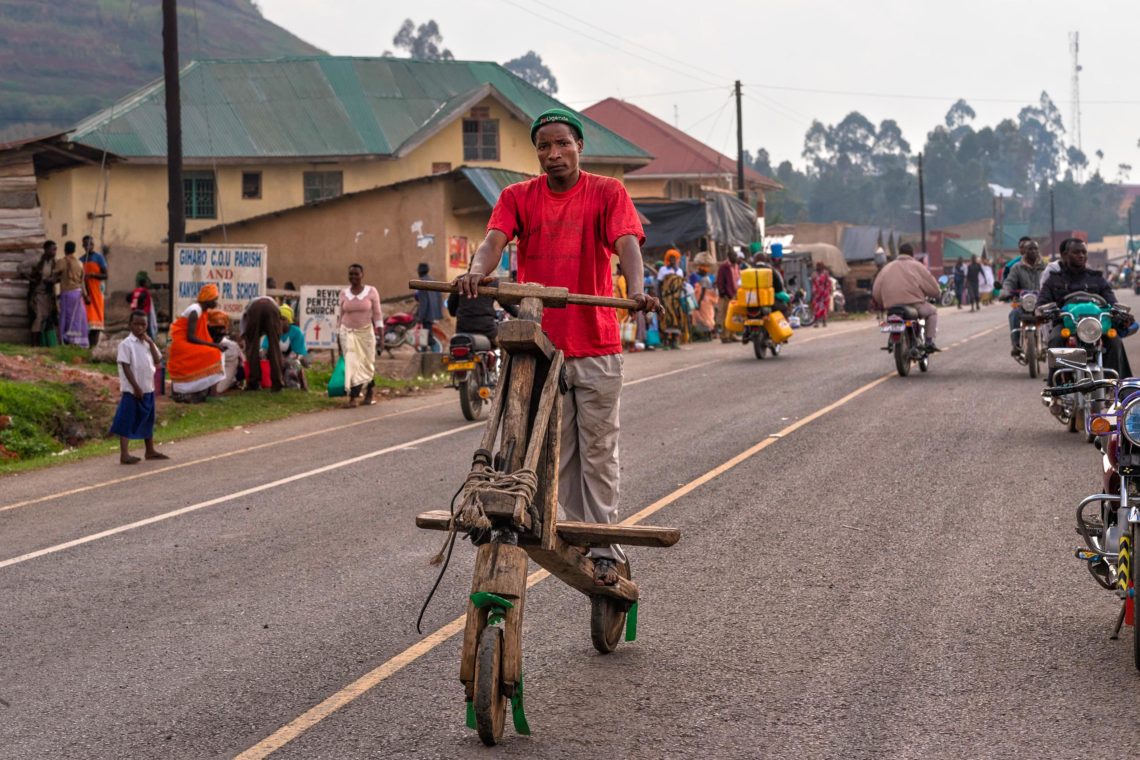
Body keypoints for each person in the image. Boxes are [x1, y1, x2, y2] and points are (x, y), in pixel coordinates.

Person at [456, 106, 660, 586]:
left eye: (562, 143)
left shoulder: (607, 192)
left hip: (596, 346)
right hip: (541, 349)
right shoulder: (518, 196)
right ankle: (581, 534)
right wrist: (475, 272)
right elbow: (493, 241)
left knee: (598, 450)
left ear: (579, 146)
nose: (553, 154)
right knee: (557, 455)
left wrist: (635, 290)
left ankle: (604, 545)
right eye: (544, 146)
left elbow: (628, 243)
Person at [1041, 238, 1131, 379]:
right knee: (1056, 339)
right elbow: (1041, 303)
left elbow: (1112, 302)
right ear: (1065, 255)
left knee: (1115, 341)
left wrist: (1121, 314)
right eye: (1076, 252)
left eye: (1084, 252)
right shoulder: (1054, 280)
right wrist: (1041, 311)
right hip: (1067, 323)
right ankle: (1056, 389)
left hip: (1096, 325)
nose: (1081, 255)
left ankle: (1115, 386)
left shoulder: (1097, 278)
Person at [110, 310, 168, 464]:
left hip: (148, 387)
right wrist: (135, 387)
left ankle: (150, 450)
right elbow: (126, 366)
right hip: (133, 390)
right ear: (130, 325)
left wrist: (150, 342)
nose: (140, 328)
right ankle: (124, 454)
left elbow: (157, 360)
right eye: (136, 324)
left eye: (143, 324)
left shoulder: (148, 343)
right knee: (127, 419)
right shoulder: (126, 344)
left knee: (148, 418)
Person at [871, 242, 942, 351]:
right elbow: (932, 286)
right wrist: (937, 293)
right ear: (912, 255)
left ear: (899, 253)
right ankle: (929, 342)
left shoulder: (886, 268)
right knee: (932, 312)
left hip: (892, 306)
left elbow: (876, 291)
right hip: (914, 305)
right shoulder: (918, 266)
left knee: (887, 322)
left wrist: (883, 302)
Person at [169, 284, 226, 402]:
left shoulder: (202, 311)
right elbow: (191, 337)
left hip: (186, 341)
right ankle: (210, 392)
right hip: (182, 343)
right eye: (214, 299)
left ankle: (206, 390)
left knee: (215, 352)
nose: (216, 302)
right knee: (214, 353)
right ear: (208, 300)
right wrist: (214, 345)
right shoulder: (195, 310)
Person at [338, 263, 383, 407]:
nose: (353, 277)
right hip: (347, 333)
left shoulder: (371, 291)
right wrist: (338, 338)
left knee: (366, 364)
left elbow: (377, 315)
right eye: (351, 274)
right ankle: (353, 397)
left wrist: (381, 337)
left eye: (356, 274)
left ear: (362, 275)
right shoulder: (344, 293)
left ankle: (369, 391)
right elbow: (340, 316)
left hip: (365, 333)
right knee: (352, 364)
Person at [999, 240, 1045, 357]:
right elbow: (1009, 282)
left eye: (1035, 249)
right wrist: (1005, 292)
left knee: (1053, 316)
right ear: (1024, 251)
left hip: (1041, 302)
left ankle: (1049, 343)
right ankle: (1016, 344)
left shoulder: (1045, 267)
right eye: (1030, 249)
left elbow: (1052, 281)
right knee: (1014, 314)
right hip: (1023, 303)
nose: (1033, 251)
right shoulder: (1017, 267)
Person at [241, 294, 284, 392]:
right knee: (274, 348)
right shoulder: (273, 303)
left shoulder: (247, 310)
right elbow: (279, 324)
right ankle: (277, 383)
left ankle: (254, 383)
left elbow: (244, 331)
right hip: (272, 308)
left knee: (252, 348)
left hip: (254, 308)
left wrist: (247, 340)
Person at [262, 304, 309, 389]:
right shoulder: (272, 331)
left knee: (292, 364)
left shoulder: (296, 332)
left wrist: (284, 360)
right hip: (275, 359)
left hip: (293, 359)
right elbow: (264, 349)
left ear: (289, 321)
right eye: (278, 318)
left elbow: (298, 353)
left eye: (283, 319)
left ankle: (293, 384)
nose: (280, 321)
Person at [54, 241, 89, 347]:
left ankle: (66, 340)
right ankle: (78, 340)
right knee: (77, 318)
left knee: (67, 317)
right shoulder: (80, 263)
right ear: (74, 250)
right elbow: (82, 281)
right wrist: (86, 295)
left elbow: (54, 275)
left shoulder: (61, 262)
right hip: (78, 294)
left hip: (67, 294)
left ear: (65, 249)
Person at [28, 240, 58, 345]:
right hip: (37, 294)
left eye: (55, 249)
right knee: (38, 317)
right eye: (52, 249)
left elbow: (58, 276)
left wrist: (53, 280)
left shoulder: (55, 262)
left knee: (47, 317)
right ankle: (34, 344)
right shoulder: (37, 261)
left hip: (48, 295)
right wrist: (31, 279)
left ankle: (44, 344)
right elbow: (20, 268)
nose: (55, 252)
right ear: (46, 250)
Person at [80, 235, 107, 348]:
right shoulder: (81, 260)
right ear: (83, 246)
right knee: (87, 319)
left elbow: (105, 275)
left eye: (90, 244)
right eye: (86, 244)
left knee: (97, 320)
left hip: (96, 291)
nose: (88, 246)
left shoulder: (99, 258)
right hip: (85, 292)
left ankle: (94, 347)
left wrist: (93, 275)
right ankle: (86, 345)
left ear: (93, 245)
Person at [207, 309, 243, 393]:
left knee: (217, 389)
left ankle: (234, 380)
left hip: (227, 366)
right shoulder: (205, 339)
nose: (219, 331)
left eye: (221, 328)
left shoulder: (231, 346)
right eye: (216, 328)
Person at [413, 262, 443, 353]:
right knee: (424, 336)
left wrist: (420, 317)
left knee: (427, 337)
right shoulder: (433, 281)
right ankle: (423, 354)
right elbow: (439, 299)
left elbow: (423, 302)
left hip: (426, 315)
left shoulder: (421, 283)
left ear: (419, 271)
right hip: (433, 314)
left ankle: (436, 353)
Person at [688, 252, 718, 339]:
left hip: (705, 301)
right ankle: (703, 335)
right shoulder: (694, 276)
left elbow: (709, 289)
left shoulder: (709, 277)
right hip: (700, 299)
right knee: (700, 317)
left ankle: (706, 334)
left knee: (706, 317)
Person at [715, 250, 741, 342]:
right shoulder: (724, 267)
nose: (735, 257)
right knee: (726, 316)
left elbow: (738, 279)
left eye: (736, 256)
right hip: (727, 295)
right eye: (734, 256)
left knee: (734, 315)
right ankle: (725, 336)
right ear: (729, 256)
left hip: (735, 293)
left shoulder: (737, 266)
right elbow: (720, 281)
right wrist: (723, 292)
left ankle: (732, 335)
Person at [128, 271, 158, 340]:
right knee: (146, 327)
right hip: (144, 312)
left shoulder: (136, 290)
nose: (148, 284)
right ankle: (149, 339)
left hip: (135, 311)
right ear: (144, 283)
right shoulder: (144, 291)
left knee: (136, 326)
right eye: (147, 282)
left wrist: (134, 304)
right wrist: (141, 306)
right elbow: (142, 298)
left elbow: (128, 297)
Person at [811, 261, 833, 328]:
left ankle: (824, 322)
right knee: (816, 308)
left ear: (822, 266)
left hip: (824, 293)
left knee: (824, 308)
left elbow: (828, 282)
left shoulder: (825, 273)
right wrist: (814, 292)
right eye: (818, 266)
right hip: (817, 293)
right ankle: (817, 322)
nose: (818, 267)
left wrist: (828, 290)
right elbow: (813, 283)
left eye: (820, 266)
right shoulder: (814, 274)